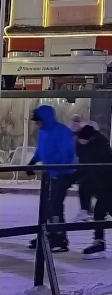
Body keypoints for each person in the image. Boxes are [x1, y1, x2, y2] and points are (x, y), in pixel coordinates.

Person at [73, 125, 112, 257]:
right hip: (99, 185)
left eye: (82, 139)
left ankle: (100, 241)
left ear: (89, 138)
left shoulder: (100, 149)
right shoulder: (83, 148)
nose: (80, 141)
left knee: (100, 212)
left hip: (111, 185)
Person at [26, 105, 76, 252]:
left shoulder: (62, 131)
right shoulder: (43, 132)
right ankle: (49, 233)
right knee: (48, 205)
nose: (37, 123)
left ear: (46, 119)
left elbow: (67, 153)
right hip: (50, 172)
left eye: (38, 120)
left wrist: (59, 168)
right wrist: (32, 162)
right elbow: (41, 150)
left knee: (54, 204)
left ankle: (60, 237)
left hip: (63, 173)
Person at [68, 115, 99, 220]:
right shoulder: (82, 143)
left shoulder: (96, 146)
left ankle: (88, 210)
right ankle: (87, 210)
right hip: (86, 171)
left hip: (92, 172)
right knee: (86, 187)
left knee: (87, 187)